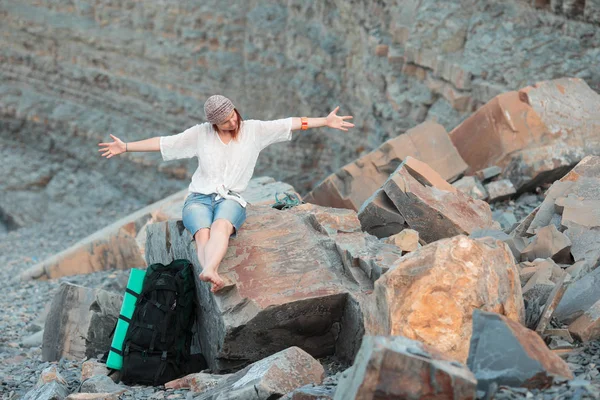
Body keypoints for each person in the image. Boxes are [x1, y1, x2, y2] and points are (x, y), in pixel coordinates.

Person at [98, 95, 354, 292]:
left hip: (231, 197)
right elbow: (165, 143)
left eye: (233, 116)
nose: (232, 122)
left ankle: (210, 269)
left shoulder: (254, 130)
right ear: (213, 124)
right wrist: (127, 147)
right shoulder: (201, 134)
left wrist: (326, 121)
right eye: (225, 122)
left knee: (221, 226)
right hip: (198, 197)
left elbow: (292, 123)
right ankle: (210, 270)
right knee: (202, 232)